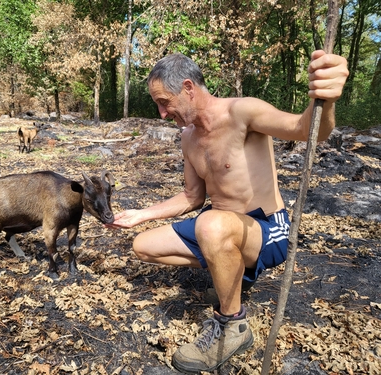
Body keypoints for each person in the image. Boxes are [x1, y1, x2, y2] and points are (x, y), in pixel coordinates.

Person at [106, 50, 349, 373]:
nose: (162, 113)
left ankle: (233, 325)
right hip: (218, 224)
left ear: (189, 88)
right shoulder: (189, 139)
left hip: (266, 229)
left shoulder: (242, 111)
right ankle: (232, 271)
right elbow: (192, 197)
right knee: (144, 246)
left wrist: (326, 98)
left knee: (210, 226)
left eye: (164, 102)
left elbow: (309, 129)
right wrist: (142, 214)